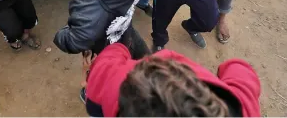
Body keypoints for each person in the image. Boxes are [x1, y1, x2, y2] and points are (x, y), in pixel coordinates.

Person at [54, 0, 153, 101]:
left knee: (146, 61)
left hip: (123, 28)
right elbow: (69, 41)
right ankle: (88, 93)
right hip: (101, 46)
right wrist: (66, 31)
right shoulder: (92, 21)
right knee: (98, 75)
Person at [85, 43, 261, 117]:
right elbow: (241, 71)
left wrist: (118, 49)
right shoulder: (242, 106)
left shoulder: (114, 82)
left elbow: (107, 61)